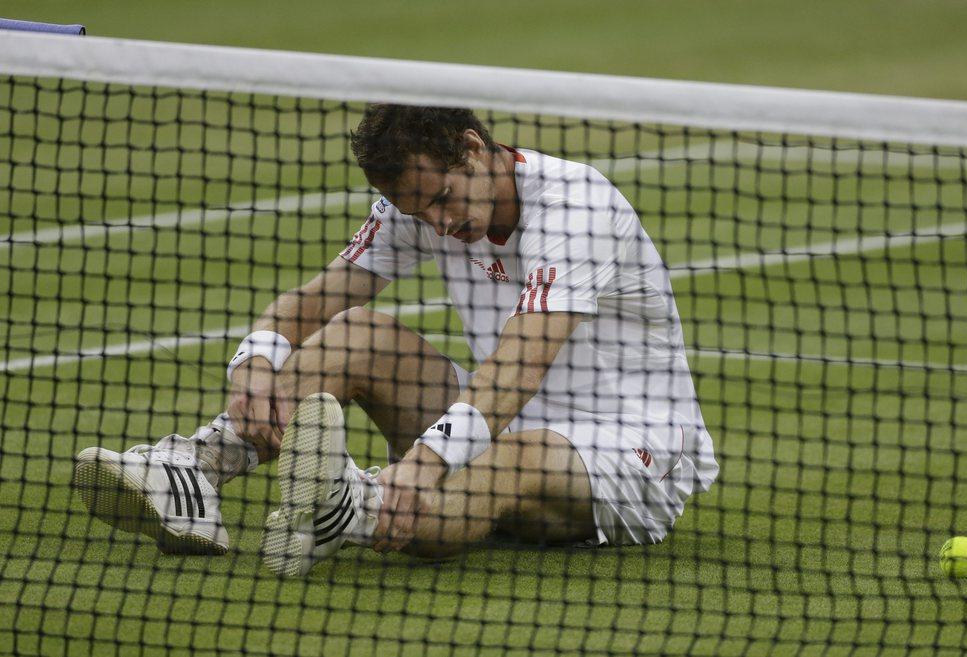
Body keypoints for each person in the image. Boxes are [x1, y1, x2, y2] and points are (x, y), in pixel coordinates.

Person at [73, 105, 719, 576]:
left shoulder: (575, 208)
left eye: (443, 198)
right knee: (354, 333)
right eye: (420, 213)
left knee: (512, 456)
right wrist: (257, 360)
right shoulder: (418, 203)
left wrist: (425, 462)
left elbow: (519, 365)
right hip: (502, 416)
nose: (440, 223)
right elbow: (320, 299)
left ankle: (361, 507)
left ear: (472, 146)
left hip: (630, 452)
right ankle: (196, 471)